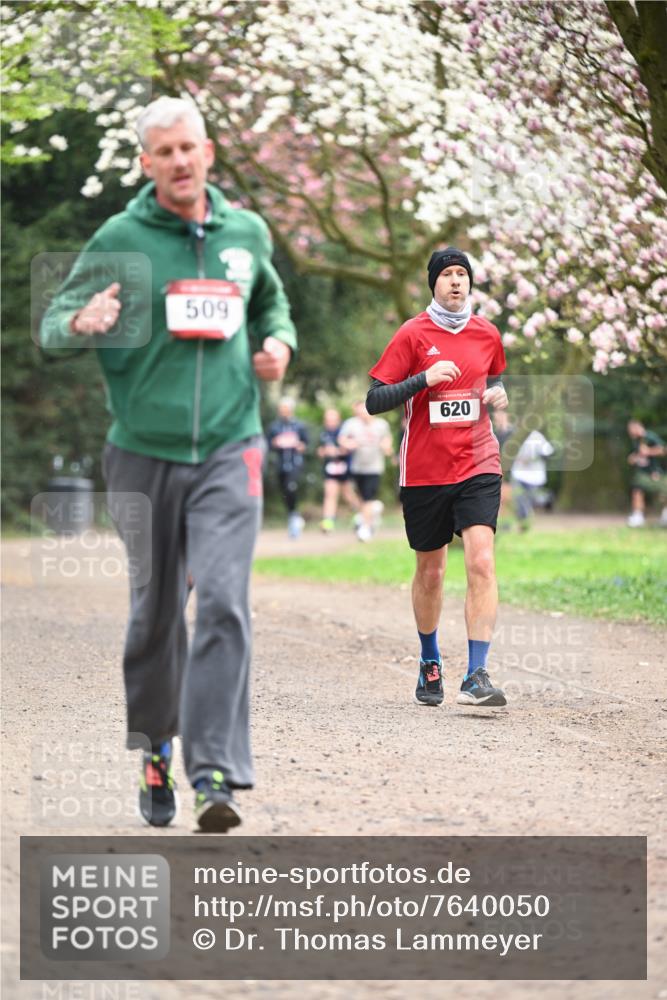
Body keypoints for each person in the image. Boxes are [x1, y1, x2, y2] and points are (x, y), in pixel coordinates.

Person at [40, 96, 297, 832]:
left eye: (190, 148)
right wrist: (81, 322)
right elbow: (56, 322)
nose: (180, 162)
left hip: (230, 445)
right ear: (147, 163)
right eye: (165, 152)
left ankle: (213, 770)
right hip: (140, 453)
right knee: (156, 613)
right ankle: (155, 746)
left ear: (207, 152)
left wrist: (278, 345)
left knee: (221, 599)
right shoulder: (121, 237)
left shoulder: (246, 234)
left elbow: (272, 309)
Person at [366, 246, 508, 707]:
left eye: (462, 274)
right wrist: (422, 380)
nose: (455, 281)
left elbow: (494, 378)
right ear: (434, 284)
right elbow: (374, 399)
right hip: (425, 470)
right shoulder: (412, 333)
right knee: (431, 571)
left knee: (482, 561)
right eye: (446, 274)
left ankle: (477, 673)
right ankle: (430, 662)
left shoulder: (487, 333)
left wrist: (498, 394)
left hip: (478, 462)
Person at [338, 401, 393, 542]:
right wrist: (348, 444)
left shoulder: (381, 425)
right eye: (358, 412)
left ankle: (365, 528)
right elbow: (342, 439)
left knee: (368, 497)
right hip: (357, 466)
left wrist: (386, 447)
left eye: (363, 411)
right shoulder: (351, 424)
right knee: (360, 497)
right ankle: (371, 513)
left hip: (374, 467)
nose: (361, 415)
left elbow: (387, 441)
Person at [266, 396, 309, 538]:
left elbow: (306, 444)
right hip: (280, 465)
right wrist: (275, 443)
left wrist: (299, 445)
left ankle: (294, 517)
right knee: (284, 491)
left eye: (285, 409)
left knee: (291, 488)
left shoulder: (299, 426)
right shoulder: (274, 427)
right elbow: (268, 445)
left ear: (291, 410)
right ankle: (293, 516)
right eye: (281, 409)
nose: (283, 412)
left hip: (295, 464)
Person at [317, 407, 360, 532]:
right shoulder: (323, 433)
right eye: (328, 420)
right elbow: (320, 450)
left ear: (338, 420)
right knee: (330, 494)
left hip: (345, 467)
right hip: (330, 468)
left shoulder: (344, 431)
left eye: (333, 420)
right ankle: (328, 522)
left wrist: (337, 451)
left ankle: (359, 516)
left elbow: (351, 446)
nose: (330, 422)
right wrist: (324, 452)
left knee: (348, 495)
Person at [510, 428, 555, 530]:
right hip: (518, 474)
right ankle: (523, 523)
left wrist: (531, 459)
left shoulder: (537, 437)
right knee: (519, 498)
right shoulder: (515, 435)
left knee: (533, 499)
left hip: (534, 476)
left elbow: (548, 454)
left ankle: (547, 498)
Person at [626, 418, 667, 527]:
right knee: (637, 490)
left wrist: (649, 451)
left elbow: (663, 450)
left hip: (655, 473)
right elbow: (634, 456)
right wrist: (633, 458)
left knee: (663, 493)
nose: (630, 432)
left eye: (631, 429)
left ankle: (665, 515)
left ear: (637, 427)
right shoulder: (636, 441)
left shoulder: (650, 437)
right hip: (642, 473)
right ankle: (638, 516)